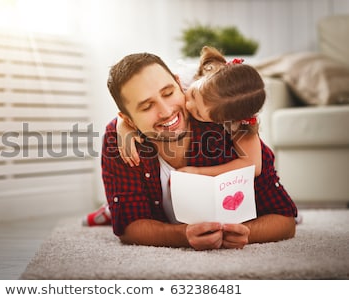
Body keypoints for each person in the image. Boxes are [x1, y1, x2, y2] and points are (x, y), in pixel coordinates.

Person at [89, 50, 297, 250]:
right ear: (128, 119)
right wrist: (183, 235)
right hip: (155, 207)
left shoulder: (224, 120)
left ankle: (109, 210)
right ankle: (108, 211)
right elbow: (129, 226)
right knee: (118, 211)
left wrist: (247, 232)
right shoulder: (119, 140)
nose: (166, 111)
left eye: (169, 93)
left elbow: (285, 221)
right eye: (146, 107)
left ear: (180, 84)